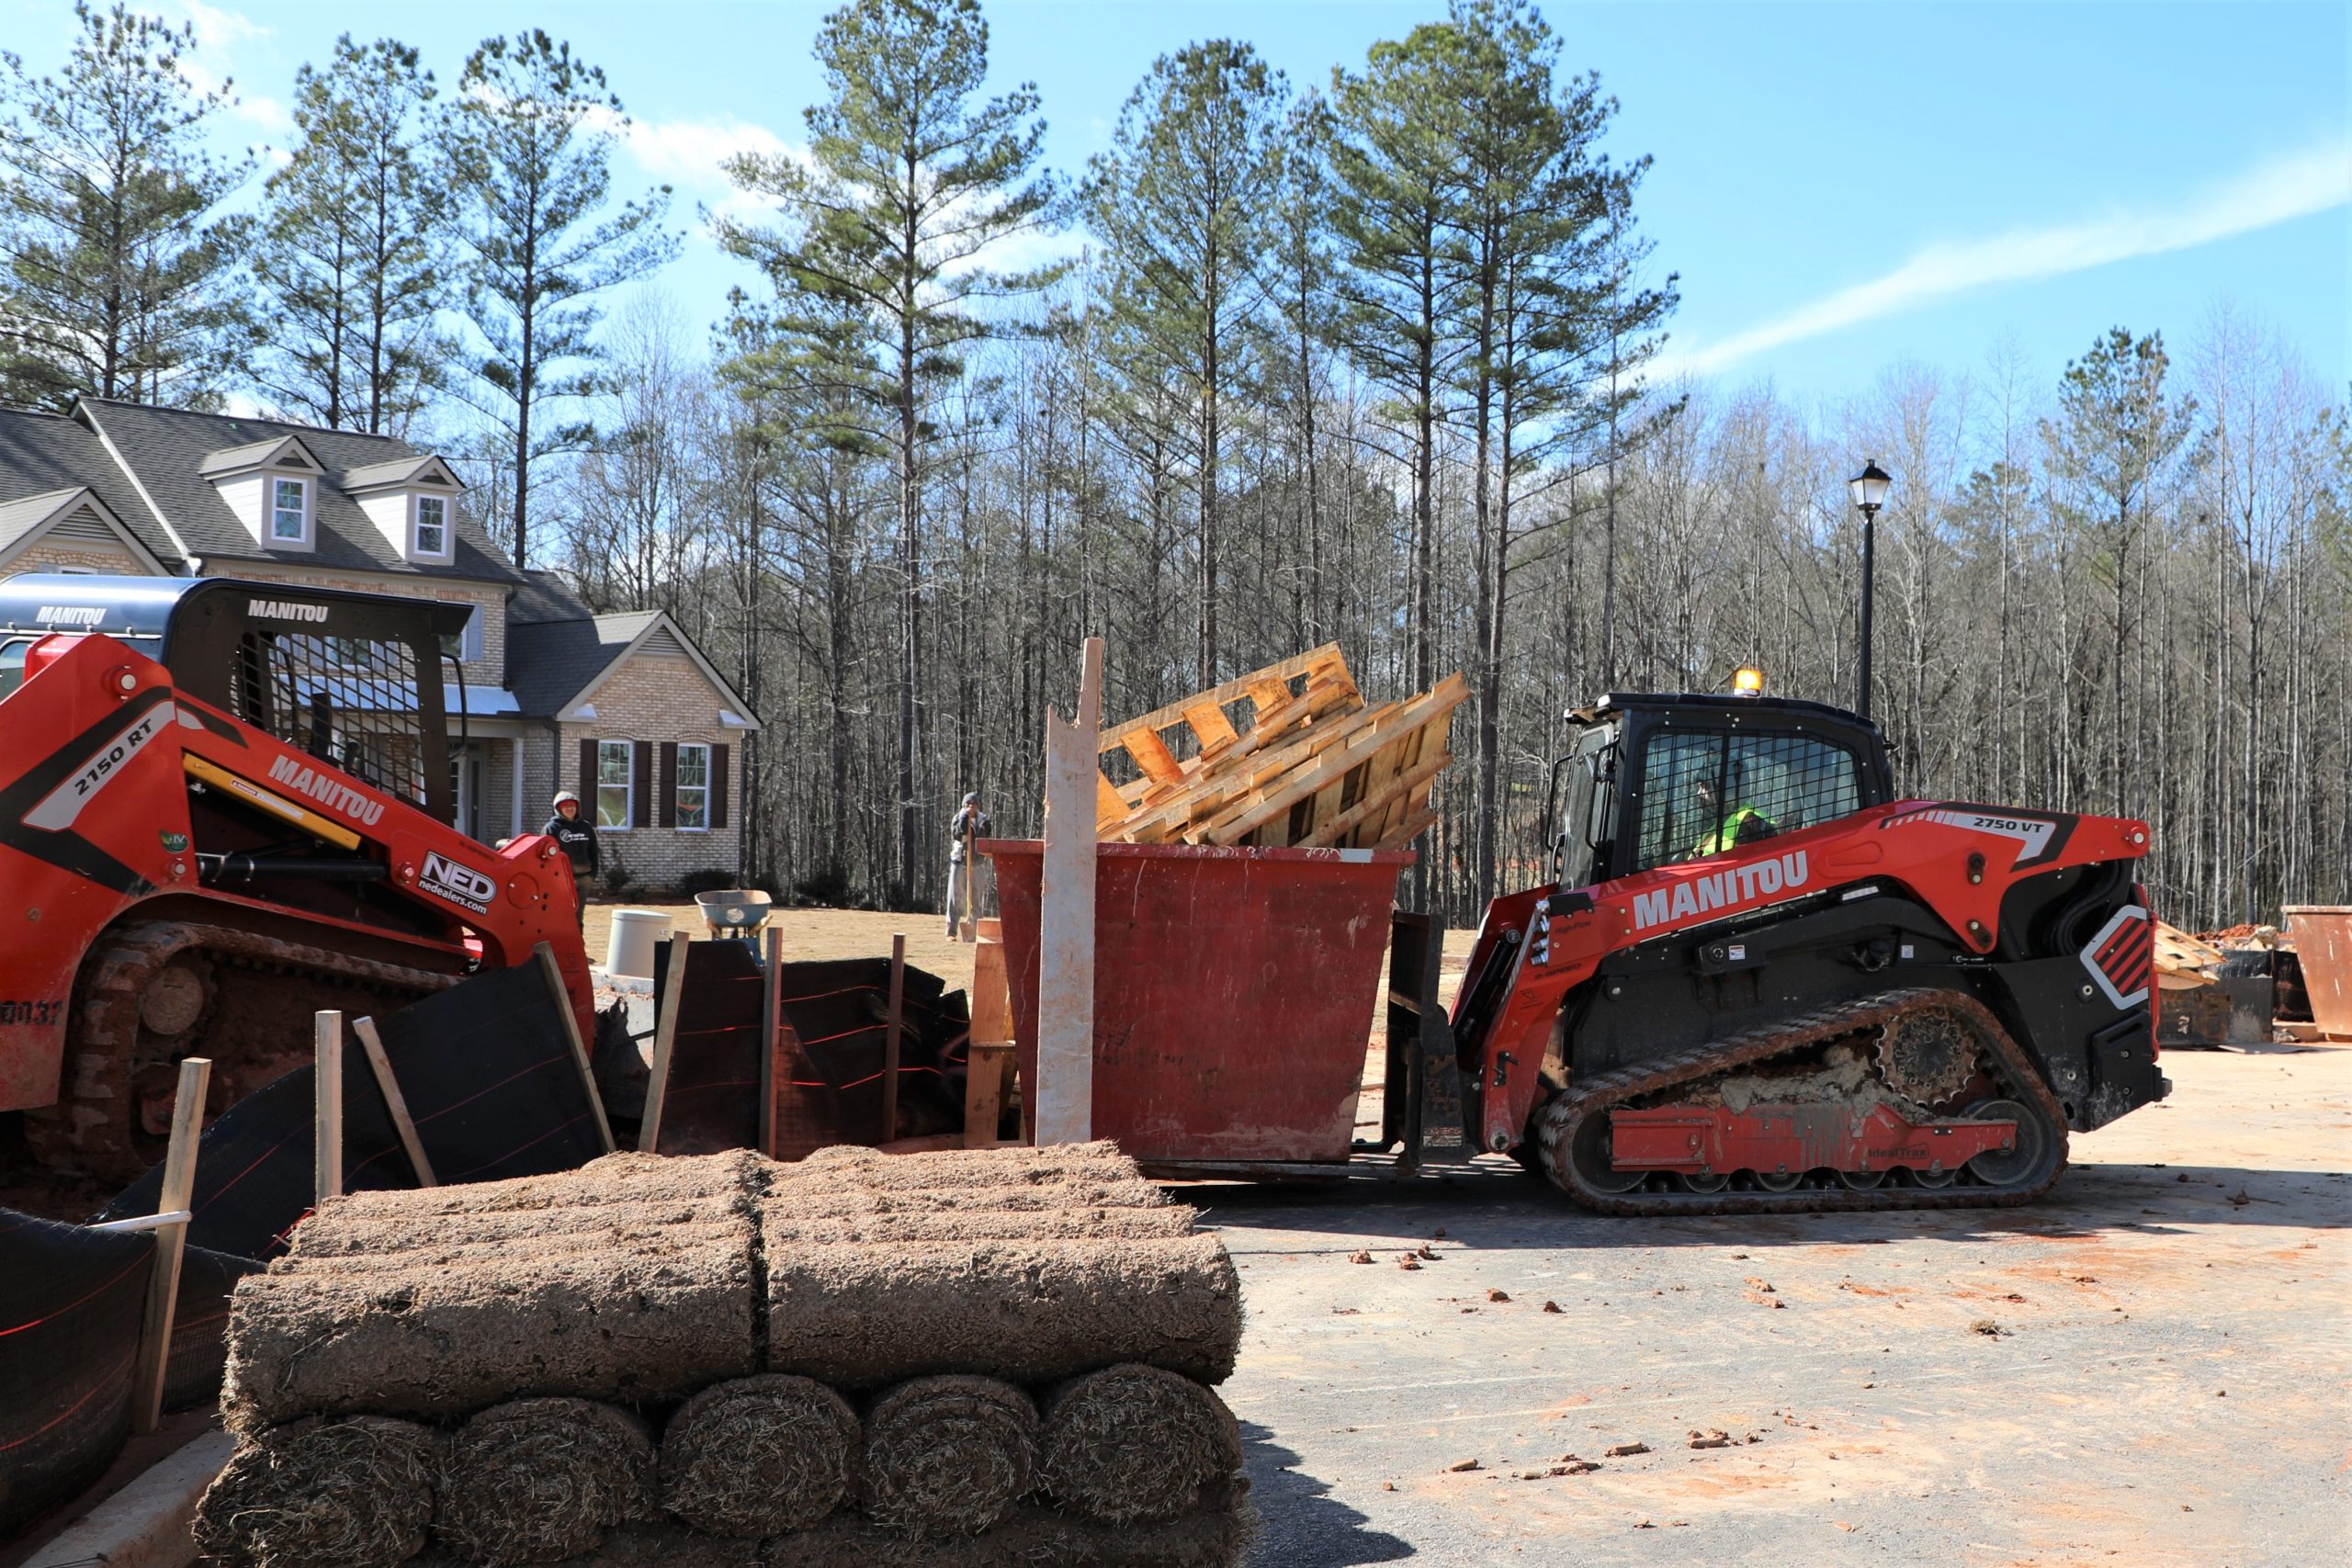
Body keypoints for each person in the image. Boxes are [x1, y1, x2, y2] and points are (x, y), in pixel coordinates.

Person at [1688, 769, 1778, 859]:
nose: (1699, 793)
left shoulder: (1751, 823)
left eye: (1704, 787)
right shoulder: (1721, 824)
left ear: (1724, 788)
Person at [543, 791, 600, 927]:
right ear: (558, 809)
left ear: (577, 807)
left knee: (578, 915)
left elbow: (593, 850)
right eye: (565, 806)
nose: (569, 809)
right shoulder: (551, 828)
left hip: (584, 878)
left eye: (572, 805)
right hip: (561, 880)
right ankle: (561, 945)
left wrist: (593, 873)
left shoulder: (585, 827)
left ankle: (578, 945)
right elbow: (545, 856)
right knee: (561, 913)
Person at [945, 792, 991, 940]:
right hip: (960, 862)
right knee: (956, 897)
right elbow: (958, 835)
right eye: (968, 804)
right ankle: (951, 931)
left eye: (974, 804)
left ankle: (974, 931)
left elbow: (986, 838)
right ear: (963, 806)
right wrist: (965, 819)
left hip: (977, 863)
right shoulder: (958, 818)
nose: (971, 807)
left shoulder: (984, 820)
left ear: (978, 806)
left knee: (976, 899)